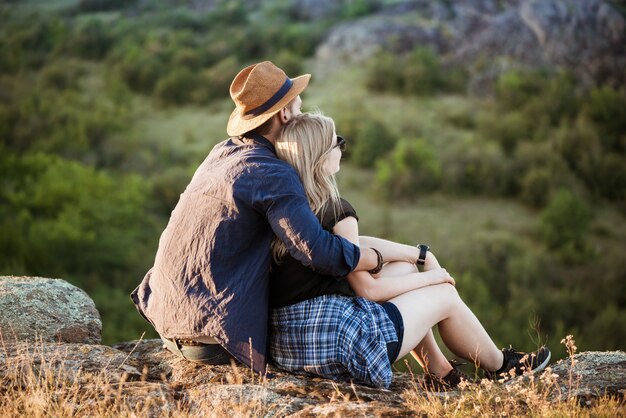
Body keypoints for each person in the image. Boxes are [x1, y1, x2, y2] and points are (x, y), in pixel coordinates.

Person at [131, 61, 383, 375]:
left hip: (169, 320)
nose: (303, 116)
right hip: (213, 339)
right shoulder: (273, 173)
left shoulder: (221, 153)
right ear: (285, 115)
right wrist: (376, 258)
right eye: (299, 109)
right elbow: (321, 254)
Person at [268, 112, 551, 389]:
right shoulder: (337, 210)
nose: (342, 147)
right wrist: (434, 278)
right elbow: (369, 290)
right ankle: (502, 366)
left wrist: (417, 255)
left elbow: (357, 246)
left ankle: (440, 371)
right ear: (321, 158)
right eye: (336, 142)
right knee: (446, 296)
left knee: (403, 269)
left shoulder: (291, 211)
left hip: (293, 344)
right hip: (338, 343)